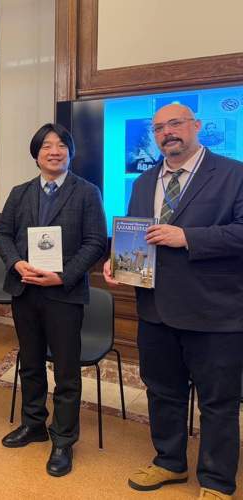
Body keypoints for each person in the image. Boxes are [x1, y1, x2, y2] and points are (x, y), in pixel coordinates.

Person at [103, 103, 243, 500]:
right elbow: (137, 238)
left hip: (214, 311)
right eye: (160, 128)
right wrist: (119, 263)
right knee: (162, 390)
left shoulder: (234, 175)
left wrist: (189, 238)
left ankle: (216, 481)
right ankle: (169, 462)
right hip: (155, 309)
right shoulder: (144, 182)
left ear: (196, 126)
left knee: (218, 401)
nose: (168, 132)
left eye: (176, 124)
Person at [0, 123, 106, 477]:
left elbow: (95, 242)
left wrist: (63, 275)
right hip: (25, 289)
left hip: (64, 294)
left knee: (67, 370)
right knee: (29, 363)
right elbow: (2, 235)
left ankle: (63, 440)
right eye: (46, 146)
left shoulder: (87, 192)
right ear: (36, 153)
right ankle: (34, 425)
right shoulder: (20, 192)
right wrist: (16, 262)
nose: (53, 151)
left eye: (60, 146)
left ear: (70, 152)